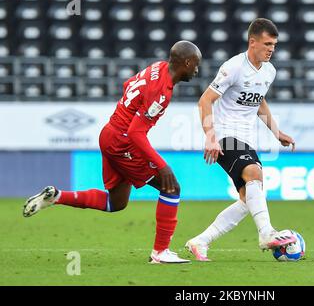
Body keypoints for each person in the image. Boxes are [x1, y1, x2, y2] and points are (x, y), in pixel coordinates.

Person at [23, 40, 202, 264]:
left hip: (109, 133)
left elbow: (129, 84)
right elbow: (136, 133)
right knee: (172, 187)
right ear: (186, 62)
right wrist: (162, 166)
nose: (197, 70)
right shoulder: (162, 92)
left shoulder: (157, 67)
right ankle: (160, 252)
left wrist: (130, 109)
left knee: (116, 203)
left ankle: (56, 197)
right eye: (196, 64)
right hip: (123, 143)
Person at [185, 18, 297, 261]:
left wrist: (277, 133)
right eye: (267, 44)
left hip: (246, 138)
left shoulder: (269, 71)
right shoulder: (233, 67)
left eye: (274, 45)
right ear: (252, 42)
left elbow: (259, 102)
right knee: (255, 174)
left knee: (249, 198)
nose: (271, 49)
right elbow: (205, 100)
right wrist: (210, 137)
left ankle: (200, 241)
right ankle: (266, 233)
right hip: (225, 134)